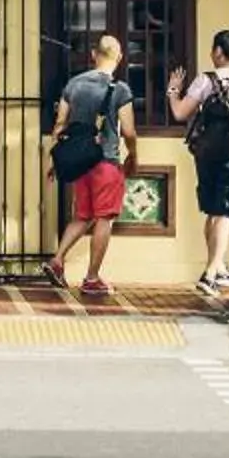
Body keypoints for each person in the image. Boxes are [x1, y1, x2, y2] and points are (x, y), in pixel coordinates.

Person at [44, 34, 137, 298]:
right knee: (104, 218)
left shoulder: (73, 85)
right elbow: (128, 131)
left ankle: (57, 260)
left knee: (82, 216)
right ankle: (92, 277)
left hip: (80, 164)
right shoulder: (120, 90)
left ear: (94, 56)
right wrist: (133, 155)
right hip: (106, 161)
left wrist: (56, 160)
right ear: (119, 58)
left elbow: (59, 126)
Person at [166, 29, 229, 297]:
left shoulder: (205, 80)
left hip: (205, 154)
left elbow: (180, 112)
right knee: (224, 214)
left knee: (213, 211)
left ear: (218, 52)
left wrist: (173, 90)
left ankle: (218, 265)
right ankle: (211, 272)